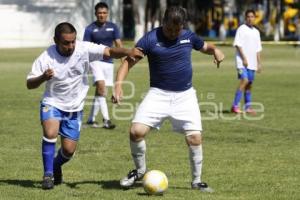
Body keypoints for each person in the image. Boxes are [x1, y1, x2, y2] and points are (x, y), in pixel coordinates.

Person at [112, 6, 224, 192]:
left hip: (185, 96)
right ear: (163, 22)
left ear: (182, 26)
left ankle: (197, 181)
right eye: (169, 29)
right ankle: (140, 171)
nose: (173, 33)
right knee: (136, 131)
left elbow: (205, 47)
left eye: (176, 30)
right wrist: (118, 85)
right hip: (158, 94)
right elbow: (127, 62)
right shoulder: (150, 39)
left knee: (195, 138)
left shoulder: (188, 36)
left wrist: (216, 50)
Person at [26, 22, 143, 190]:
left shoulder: (83, 48)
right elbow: (30, 84)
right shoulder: (46, 57)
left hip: (74, 107)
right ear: (55, 40)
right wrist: (43, 77)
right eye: (66, 42)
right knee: (50, 133)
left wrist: (127, 51)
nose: (70, 46)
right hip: (52, 102)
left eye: (73, 41)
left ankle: (56, 164)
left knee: (68, 151)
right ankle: (48, 175)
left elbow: (109, 51)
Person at [84, 2, 122, 129]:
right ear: (95, 14)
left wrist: (123, 62)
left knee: (99, 92)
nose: (102, 15)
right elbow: (86, 48)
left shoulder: (113, 27)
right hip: (95, 62)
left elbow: (118, 45)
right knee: (102, 89)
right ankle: (106, 120)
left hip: (109, 63)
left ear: (107, 13)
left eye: (104, 13)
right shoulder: (90, 29)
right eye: (99, 13)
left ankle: (91, 119)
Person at [231, 9, 262, 114]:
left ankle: (247, 107)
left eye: (252, 16)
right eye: (248, 16)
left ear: (255, 18)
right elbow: (238, 44)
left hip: (252, 64)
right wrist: (244, 58)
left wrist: (259, 63)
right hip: (242, 62)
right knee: (244, 80)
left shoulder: (256, 32)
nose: (250, 18)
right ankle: (235, 106)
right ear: (245, 18)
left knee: (249, 84)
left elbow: (258, 49)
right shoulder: (241, 29)